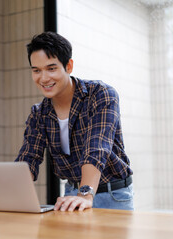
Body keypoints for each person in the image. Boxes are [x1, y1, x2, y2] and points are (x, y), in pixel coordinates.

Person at [15, 32, 134, 211]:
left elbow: (97, 148)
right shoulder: (39, 113)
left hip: (111, 196)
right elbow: (28, 158)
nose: (44, 78)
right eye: (36, 70)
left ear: (68, 66)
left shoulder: (101, 95)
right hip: (71, 196)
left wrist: (85, 194)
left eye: (51, 68)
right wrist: (8, 194)